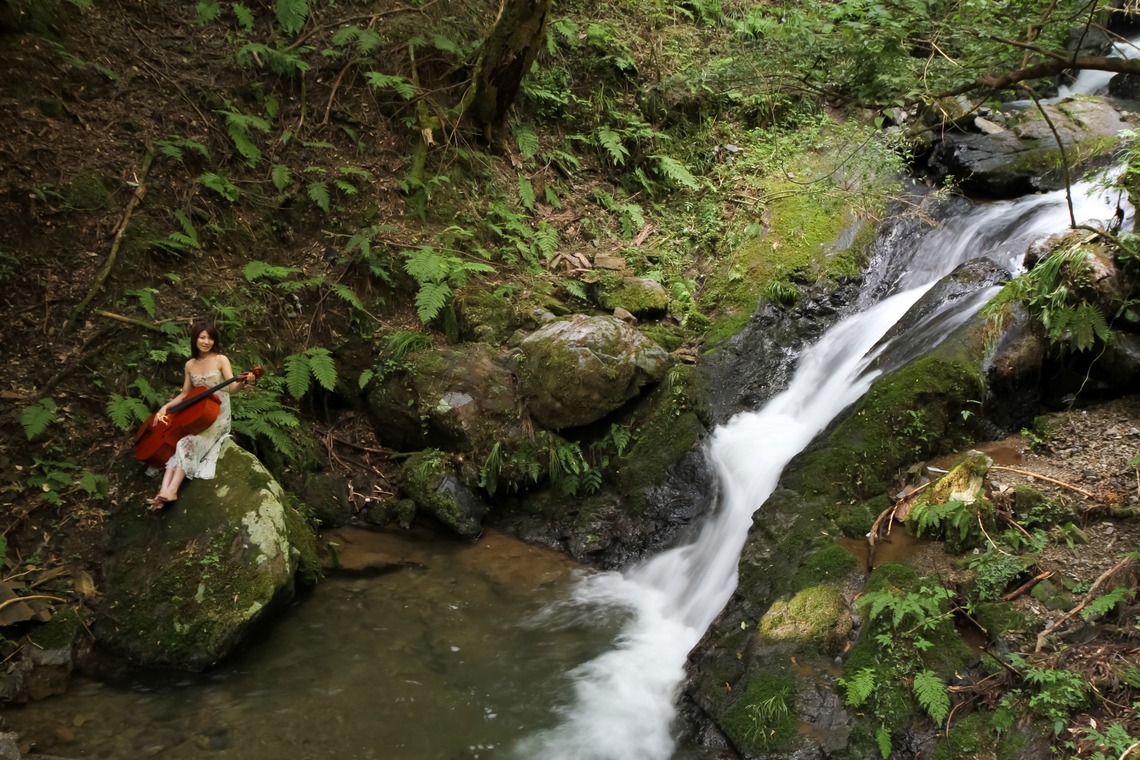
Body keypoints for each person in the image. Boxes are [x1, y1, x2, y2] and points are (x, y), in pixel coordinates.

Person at [147, 322, 255, 509]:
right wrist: (164, 408)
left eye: (210, 338)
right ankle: (162, 493)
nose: (206, 342)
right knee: (177, 444)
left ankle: (172, 490)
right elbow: (184, 394)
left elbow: (232, 388)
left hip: (218, 415)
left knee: (184, 442)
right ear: (195, 339)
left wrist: (245, 381)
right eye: (202, 337)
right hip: (199, 414)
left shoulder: (221, 359)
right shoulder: (190, 364)